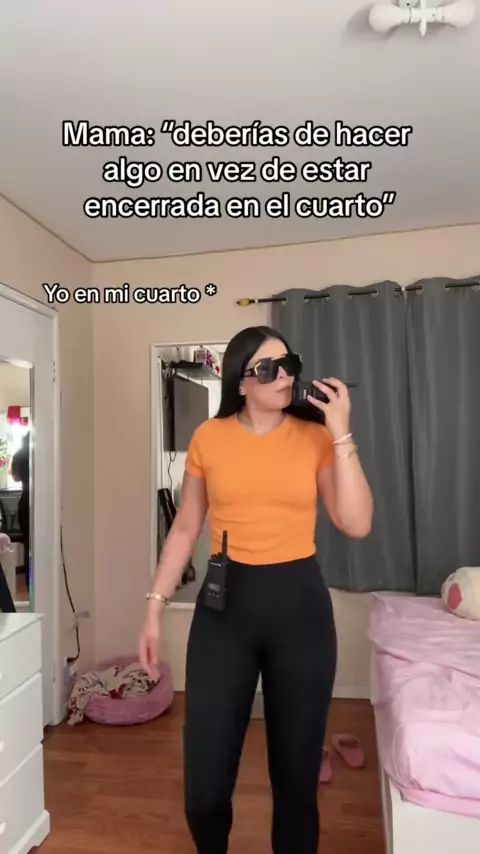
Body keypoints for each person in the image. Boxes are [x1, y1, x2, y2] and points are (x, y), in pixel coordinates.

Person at [139, 326, 373, 854]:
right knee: (204, 790)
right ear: (241, 381)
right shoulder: (209, 438)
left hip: (300, 614)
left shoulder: (314, 438)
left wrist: (341, 433)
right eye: (269, 369)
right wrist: (153, 607)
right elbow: (186, 528)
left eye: (289, 363)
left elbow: (357, 523)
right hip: (224, 615)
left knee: (296, 786)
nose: (284, 376)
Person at [11, 431, 30, 589]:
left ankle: (30, 583)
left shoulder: (19, 455)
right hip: (38, 499)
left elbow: (16, 477)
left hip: (25, 501)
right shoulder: (40, 453)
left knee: (28, 543)